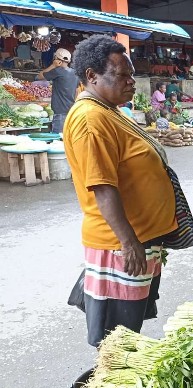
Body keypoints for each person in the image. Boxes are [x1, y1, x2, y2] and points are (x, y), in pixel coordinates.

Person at [64, 35, 178, 347]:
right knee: (117, 340)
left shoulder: (108, 109)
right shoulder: (90, 119)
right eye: (122, 75)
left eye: (132, 75)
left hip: (139, 237)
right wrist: (129, 243)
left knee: (128, 329)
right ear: (92, 76)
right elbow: (102, 187)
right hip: (120, 245)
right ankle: (109, 377)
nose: (131, 82)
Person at [38, 48, 78, 134]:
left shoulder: (57, 71)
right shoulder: (74, 73)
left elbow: (40, 76)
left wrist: (53, 65)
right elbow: (77, 91)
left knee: (58, 138)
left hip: (59, 111)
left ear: (56, 59)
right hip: (71, 110)